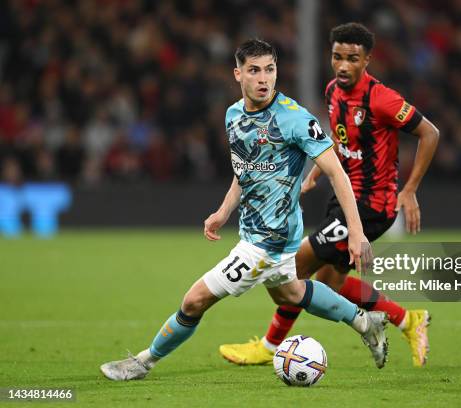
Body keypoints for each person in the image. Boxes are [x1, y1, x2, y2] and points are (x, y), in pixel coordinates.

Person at [100, 39, 389, 381]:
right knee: (292, 291)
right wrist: (223, 211)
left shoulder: (294, 119)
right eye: (254, 70)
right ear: (238, 74)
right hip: (256, 231)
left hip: (269, 240)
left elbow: (337, 172)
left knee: (194, 301)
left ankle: (142, 363)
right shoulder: (234, 115)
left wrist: (356, 231)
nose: (264, 78)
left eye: (270, 69)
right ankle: (364, 321)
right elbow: (245, 172)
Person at [220, 23, 439, 368]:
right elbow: (340, 139)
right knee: (330, 285)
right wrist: (318, 170)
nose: (343, 65)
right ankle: (407, 320)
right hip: (344, 196)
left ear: (366, 60)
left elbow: (430, 133)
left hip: (372, 206)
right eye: (337, 56)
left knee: (293, 268)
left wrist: (409, 190)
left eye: (352, 58)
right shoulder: (333, 91)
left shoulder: (382, 99)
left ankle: (269, 346)